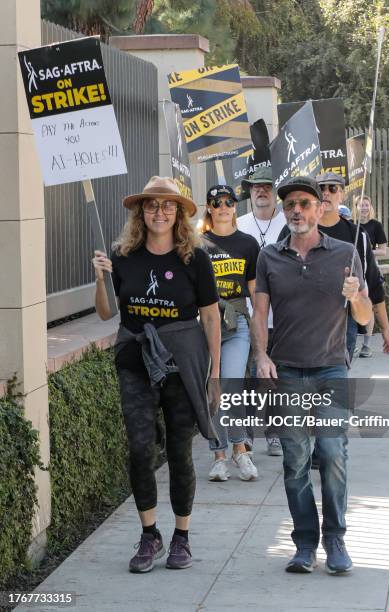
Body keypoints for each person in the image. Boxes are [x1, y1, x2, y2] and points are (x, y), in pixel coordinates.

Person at [92, 176, 221, 573]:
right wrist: (100, 277)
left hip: (181, 363)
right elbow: (105, 313)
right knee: (140, 448)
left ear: (179, 214)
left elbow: (211, 315)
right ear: (140, 213)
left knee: (180, 450)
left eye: (167, 206)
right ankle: (150, 535)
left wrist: (215, 372)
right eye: (151, 205)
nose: (159, 212)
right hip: (135, 359)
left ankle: (182, 537)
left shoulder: (194, 258)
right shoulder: (123, 255)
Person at [251, 175, 372, 574]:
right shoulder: (269, 256)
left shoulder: (345, 253)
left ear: (321, 208)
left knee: (333, 455)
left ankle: (335, 538)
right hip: (286, 370)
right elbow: (260, 312)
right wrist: (261, 355)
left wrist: (356, 296)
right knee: (295, 461)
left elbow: (365, 316)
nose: (297, 211)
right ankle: (305, 543)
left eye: (305, 203)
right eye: (290, 206)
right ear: (284, 212)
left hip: (331, 369)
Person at [278, 172, 389, 361]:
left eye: (332, 188)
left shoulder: (357, 234)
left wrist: (386, 329)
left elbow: (372, 283)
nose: (326, 193)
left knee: (334, 381)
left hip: (342, 318)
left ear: (342, 195)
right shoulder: (294, 228)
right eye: (321, 188)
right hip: (301, 317)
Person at [201, 184, 260, 482]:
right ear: (209, 207)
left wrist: (260, 331)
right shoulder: (197, 244)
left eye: (228, 202)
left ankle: (241, 450)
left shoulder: (248, 244)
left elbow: (255, 293)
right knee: (214, 390)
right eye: (217, 202)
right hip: (205, 325)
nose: (223, 207)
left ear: (235, 206)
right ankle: (219, 455)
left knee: (232, 387)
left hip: (236, 324)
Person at [238, 166, 286, 457]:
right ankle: (246, 433)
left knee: (274, 377)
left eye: (267, 186)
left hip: (280, 316)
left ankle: (275, 432)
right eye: (256, 187)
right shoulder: (239, 223)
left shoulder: (287, 221)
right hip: (246, 316)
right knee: (247, 378)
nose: (261, 191)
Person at [354, 195, 388, 358]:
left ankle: (366, 345)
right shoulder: (352, 226)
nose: (365, 208)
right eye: (361, 205)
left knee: (372, 304)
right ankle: (352, 342)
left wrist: (366, 250)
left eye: (367, 205)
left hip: (371, 269)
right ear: (356, 208)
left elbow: (383, 250)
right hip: (355, 270)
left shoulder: (376, 226)